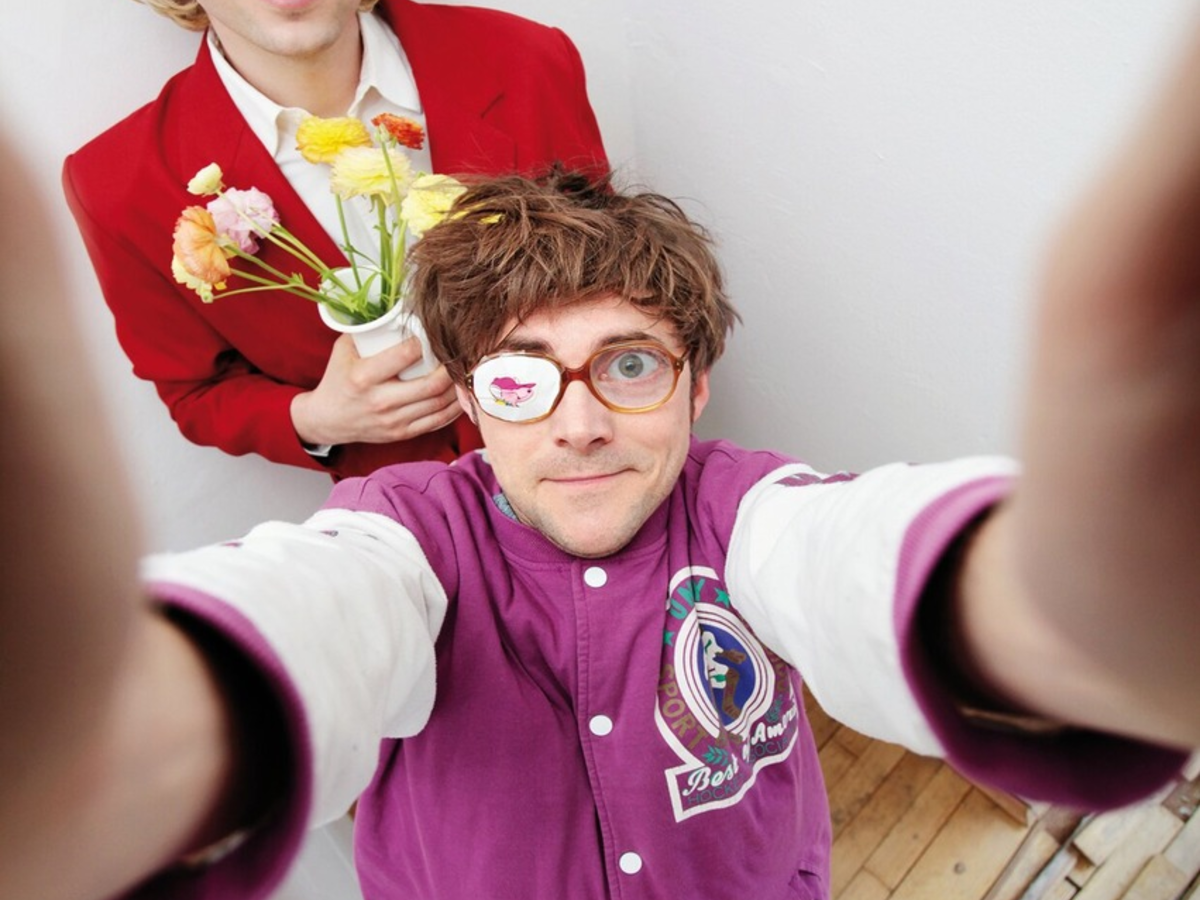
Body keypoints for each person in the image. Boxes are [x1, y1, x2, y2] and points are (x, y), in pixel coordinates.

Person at [6, 22, 1200, 900]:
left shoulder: (742, 512)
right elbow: (327, 611)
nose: (577, 423)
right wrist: (128, 743)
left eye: (628, 366)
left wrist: (1048, 615)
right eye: (522, 378)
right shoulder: (407, 541)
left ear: (697, 380)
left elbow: (837, 556)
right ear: (471, 393)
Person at [62, 0, 608, 480]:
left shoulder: (527, 57)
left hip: (603, 457)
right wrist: (315, 418)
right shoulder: (115, 184)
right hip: (408, 525)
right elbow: (197, 393)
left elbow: (622, 276)